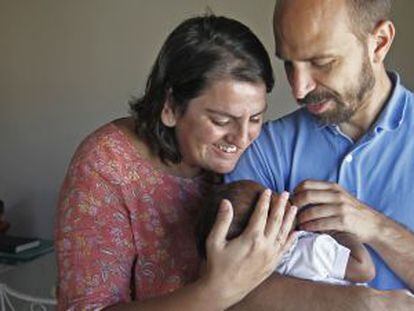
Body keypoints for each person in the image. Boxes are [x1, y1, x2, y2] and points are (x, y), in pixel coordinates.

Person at [55, 14, 298, 311]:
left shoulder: (253, 158)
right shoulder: (105, 166)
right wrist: (215, 292)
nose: (243, 138)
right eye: (222, 120)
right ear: (170, 107)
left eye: (256, 118)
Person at [226, 0, 414, 309]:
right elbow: (228, 288)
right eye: (289, 63)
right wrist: (359, 303)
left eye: (322, 62)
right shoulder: (264, 149)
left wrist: (375, 227)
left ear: (378, 43)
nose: (299, 89)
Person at [197, 180, 375, 285]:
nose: (285, 195)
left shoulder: (262, 276)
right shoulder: (311, 249)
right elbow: (364, 269)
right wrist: (336, 231)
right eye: (274, 197)